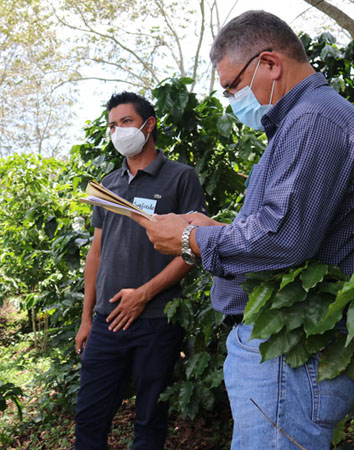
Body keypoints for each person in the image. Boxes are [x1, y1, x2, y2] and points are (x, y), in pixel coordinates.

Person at [131, 10, 354, 450]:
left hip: (287, 349)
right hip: (280, 349)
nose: (233, 101)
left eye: (233, 87)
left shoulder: (313, 120)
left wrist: (190, 239)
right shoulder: (300, 123)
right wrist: (214, 229)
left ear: (270, 64)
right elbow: (289, 228)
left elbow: (282, 240)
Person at [75, 92, 207, 450]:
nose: (118, 131)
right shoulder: (108, 184)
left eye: (126, 122)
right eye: (112, 125)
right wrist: (87, 318)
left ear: (149, 126)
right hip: (106, 321)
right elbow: (97, 252)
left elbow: (194, 247)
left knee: (150, 421)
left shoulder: (181, 178)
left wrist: (144, 294)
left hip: (156, 322)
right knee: (89, 417)